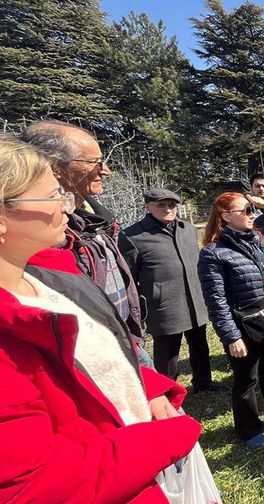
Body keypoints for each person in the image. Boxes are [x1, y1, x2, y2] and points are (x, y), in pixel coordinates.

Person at [0, 135, 202, 502]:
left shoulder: (52, 272)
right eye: (51, 197)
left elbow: (106, 347)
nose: (66, 208)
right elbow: (28, 487)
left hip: (139, 468)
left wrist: (151, 390)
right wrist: (164, 440)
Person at [20, 120, 148, 360]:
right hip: (89, 357)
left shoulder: (99, 219)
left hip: (125, 340)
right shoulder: (39, 232)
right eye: (93, 162)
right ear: (55, 167)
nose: (105, 170)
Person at [198, 192, 264, 449]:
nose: (251, 214)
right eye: (245, 210)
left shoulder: (257, 241)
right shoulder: (214, 254)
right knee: (246, 379)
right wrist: (231, 336)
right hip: (243, 326)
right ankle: (248, 428)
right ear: (225, 217)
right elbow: (216, 301)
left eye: (251, 209)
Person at [121, 188, 227, 393]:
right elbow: (129, 278)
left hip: (194, 297)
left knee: (199, 344)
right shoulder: (133, 236)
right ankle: (166, 390)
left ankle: (203, 383)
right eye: (161, 205)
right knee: (168, 352)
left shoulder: (187, 229)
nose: (168, 209)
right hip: (163, 303)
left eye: (172, 205)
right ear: (147, 207)